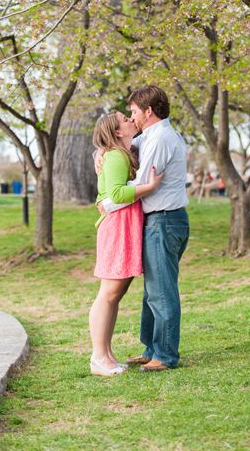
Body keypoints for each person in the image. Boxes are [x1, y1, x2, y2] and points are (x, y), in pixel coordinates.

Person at [88, 111, 163, 376]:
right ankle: (98, 357)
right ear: (118, 131)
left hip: (124, 226)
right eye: (124, 118)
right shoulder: (117, 155)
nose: (131, 119)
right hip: (117, 227)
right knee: (108, 294)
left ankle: (106, 355)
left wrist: (99, 152)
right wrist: (150, 186)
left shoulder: (121, 152)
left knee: (114, 295)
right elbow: (117, 194)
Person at [124, 86, 190, 372]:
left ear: (148, 111)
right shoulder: (151, 137)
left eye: (134, 111)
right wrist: (98, 155)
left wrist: (112, 194)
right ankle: (152, 349)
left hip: (163, 220)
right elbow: (121, 148)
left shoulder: (160, 138)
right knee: (153, 291)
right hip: (162, 220)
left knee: (162, 291)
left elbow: (141, 183)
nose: (132, 116)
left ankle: (164, 355)